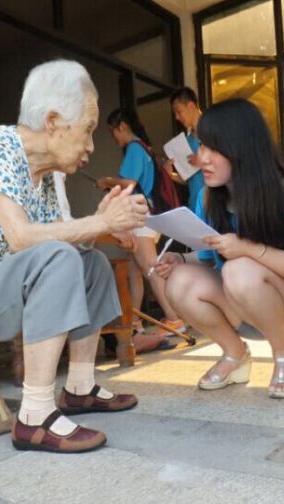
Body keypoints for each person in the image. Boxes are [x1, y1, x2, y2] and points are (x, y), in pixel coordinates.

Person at [0, 59, 148, 454]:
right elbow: (23, 239)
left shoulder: (41, 176)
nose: (92, 147)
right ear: (54, 121)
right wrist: (96, 223)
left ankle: (78, 388)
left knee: (89, 262)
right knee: (59, 257)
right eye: (89, 131)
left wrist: (100, 224)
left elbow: (54, 243)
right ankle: (35, 417)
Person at [155, 98, 284, 399]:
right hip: (244, 306)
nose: (201, 158)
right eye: (201, 146)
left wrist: (248, 249)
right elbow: (210, 258)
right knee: (179, 279)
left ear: (242, 149)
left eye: (213, 148)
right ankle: (235, 354)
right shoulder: (209, 199)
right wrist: (181, 258)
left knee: (238, 269)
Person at [103, 107, 185, 349]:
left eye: (113, 132)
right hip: (150, 217)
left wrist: (107, 182)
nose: (114, 137)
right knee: (135, 272)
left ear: (123, 127)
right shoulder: (145, 149)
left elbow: (129, 182)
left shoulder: (135, 149)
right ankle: (135, 320)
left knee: (150, 268)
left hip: (142, 217)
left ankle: (173, 318)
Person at [165, 87, 205, 213]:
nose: (177, 117)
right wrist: (170, 175)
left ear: (191, 106)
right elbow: (188, 178)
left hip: (216, 207)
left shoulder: (214, 130)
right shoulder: (186, 141)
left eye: (178, 111)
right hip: (194, 206)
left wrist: (204, 162)